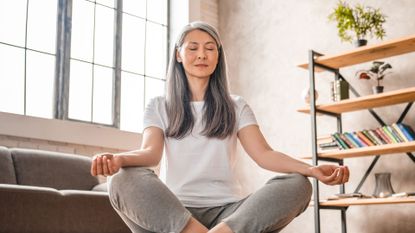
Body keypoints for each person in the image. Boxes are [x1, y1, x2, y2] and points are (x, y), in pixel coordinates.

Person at [91, 21, 349, 233]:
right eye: (192, 48)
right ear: (178, 55)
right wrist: (118, 159)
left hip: (229, 216)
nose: (201, 54)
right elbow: (150, 154)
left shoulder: (236, 105)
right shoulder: (159, 105)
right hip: (174, 215)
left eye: (209, 48)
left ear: (218, 57)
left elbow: (265, 155)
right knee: (122, 180)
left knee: (299, 185)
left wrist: (311, 169)